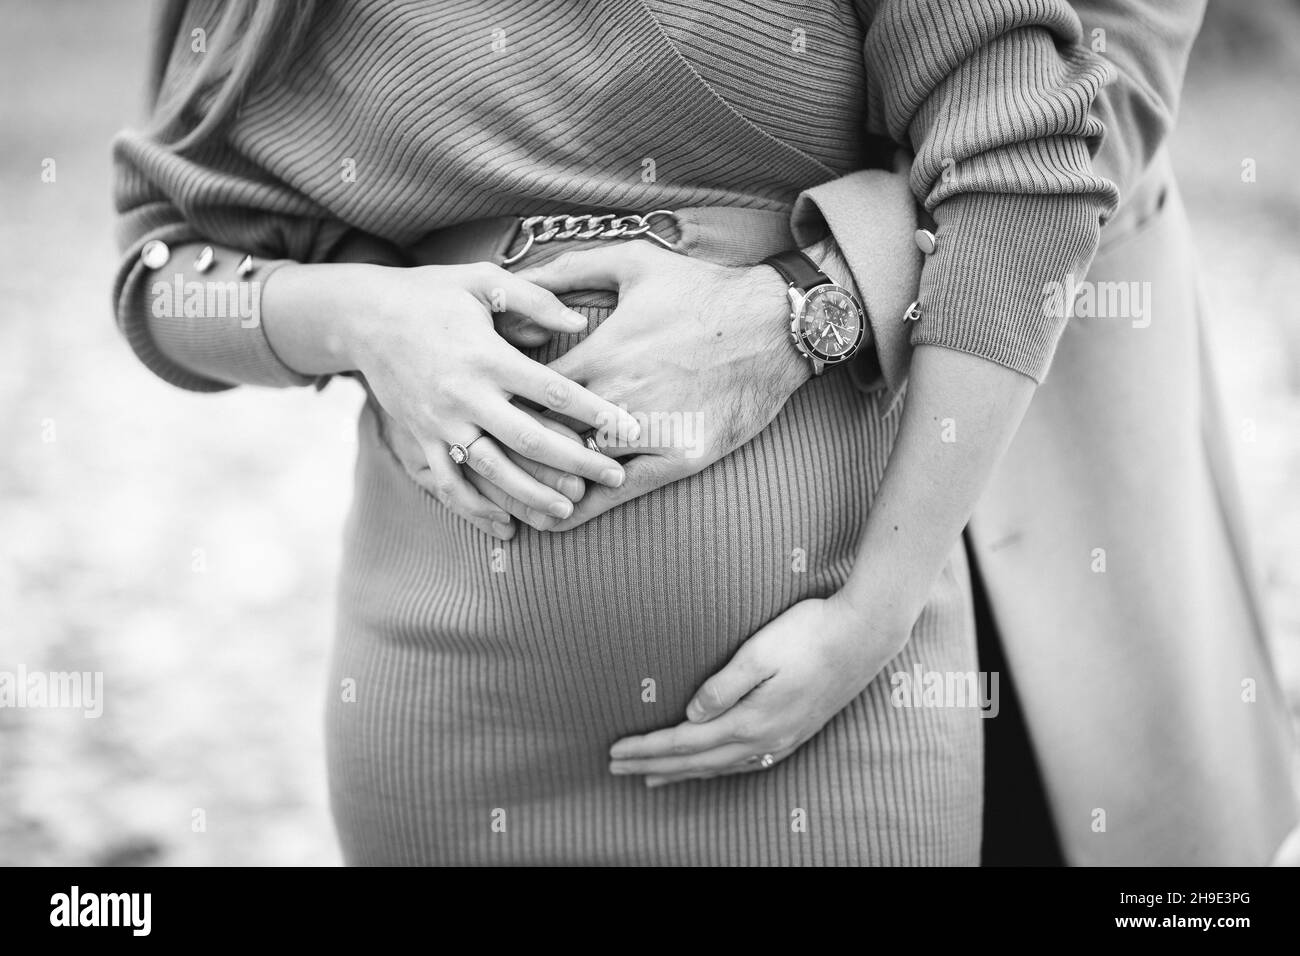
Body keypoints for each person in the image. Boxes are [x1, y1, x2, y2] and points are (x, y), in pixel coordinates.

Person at [109, 0, 1249, 865]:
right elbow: (176, 243)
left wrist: (815, 301)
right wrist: (359, 317)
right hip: (441, 721)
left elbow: (1061, 130)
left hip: (858, 684)